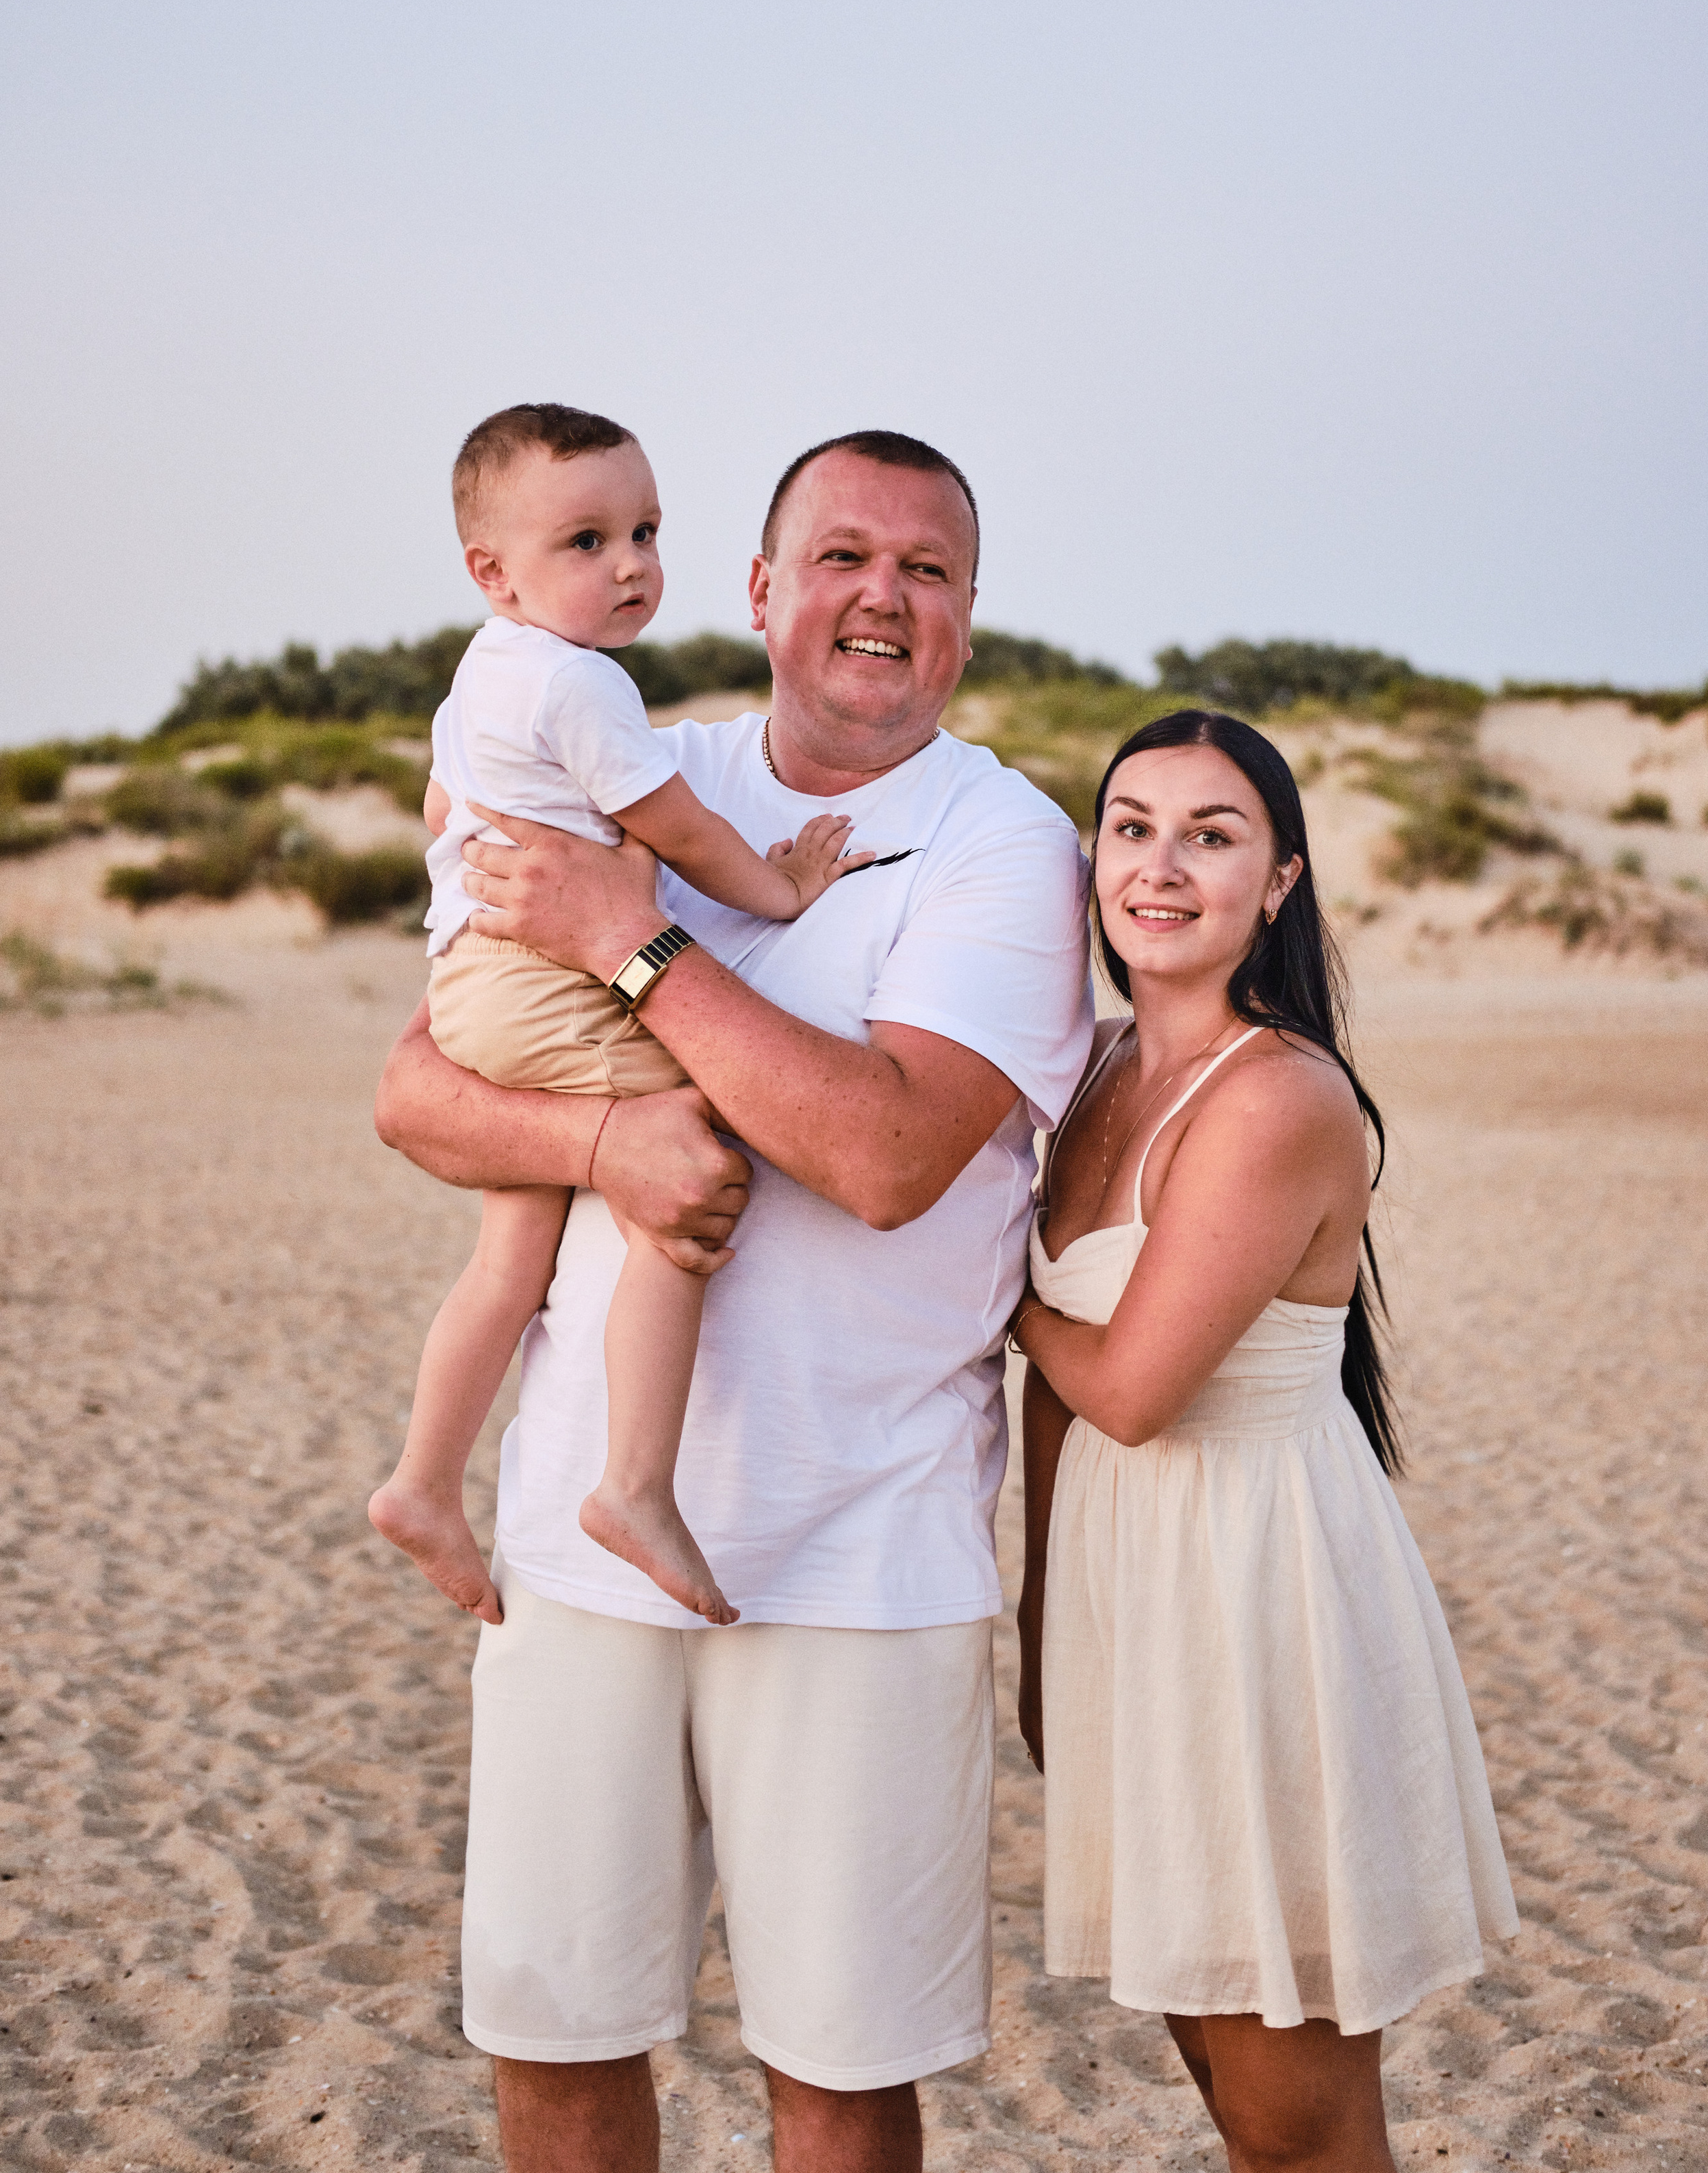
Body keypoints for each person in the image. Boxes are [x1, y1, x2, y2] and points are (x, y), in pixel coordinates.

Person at [373, 429, 1092, 2173]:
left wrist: (640, 950)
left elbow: (888, 1152)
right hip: (571, 1541)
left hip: (859, 1552)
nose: (881, 597)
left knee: (837, 2079)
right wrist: (609, 1139)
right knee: (555, 2043)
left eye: (926, 570)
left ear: (968, 621)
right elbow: (416, 1088)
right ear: (761, 590)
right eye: (840, 556)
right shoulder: (617, 758)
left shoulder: (1003, 848)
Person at [1012, 709, 1518, 2173]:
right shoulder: (1093, 1070)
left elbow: (1125, 1388)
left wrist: (987, 1293)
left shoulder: (1281, 1096)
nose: (1158, 866)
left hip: (1254, 1599)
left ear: (1279, 883)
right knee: (1220, 2081)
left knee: (1293, 2118)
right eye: (1129, 827)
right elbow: (1065, 1413)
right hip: (1129, 1594)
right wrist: (1050, 1622)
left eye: (1210, 835)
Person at [369, 402, 866, 1630]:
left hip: (472, 978)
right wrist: (786, 885)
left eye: (643, 530)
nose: (631, 563)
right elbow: (683, 829)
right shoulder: (579, 684)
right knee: (688, 1161)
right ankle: (635, 1486)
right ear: (493, 570)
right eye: (585, 541)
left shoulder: (485, 670)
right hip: (542, 984)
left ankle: (426, 1481)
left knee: (509, 1256)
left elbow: (442, 812)